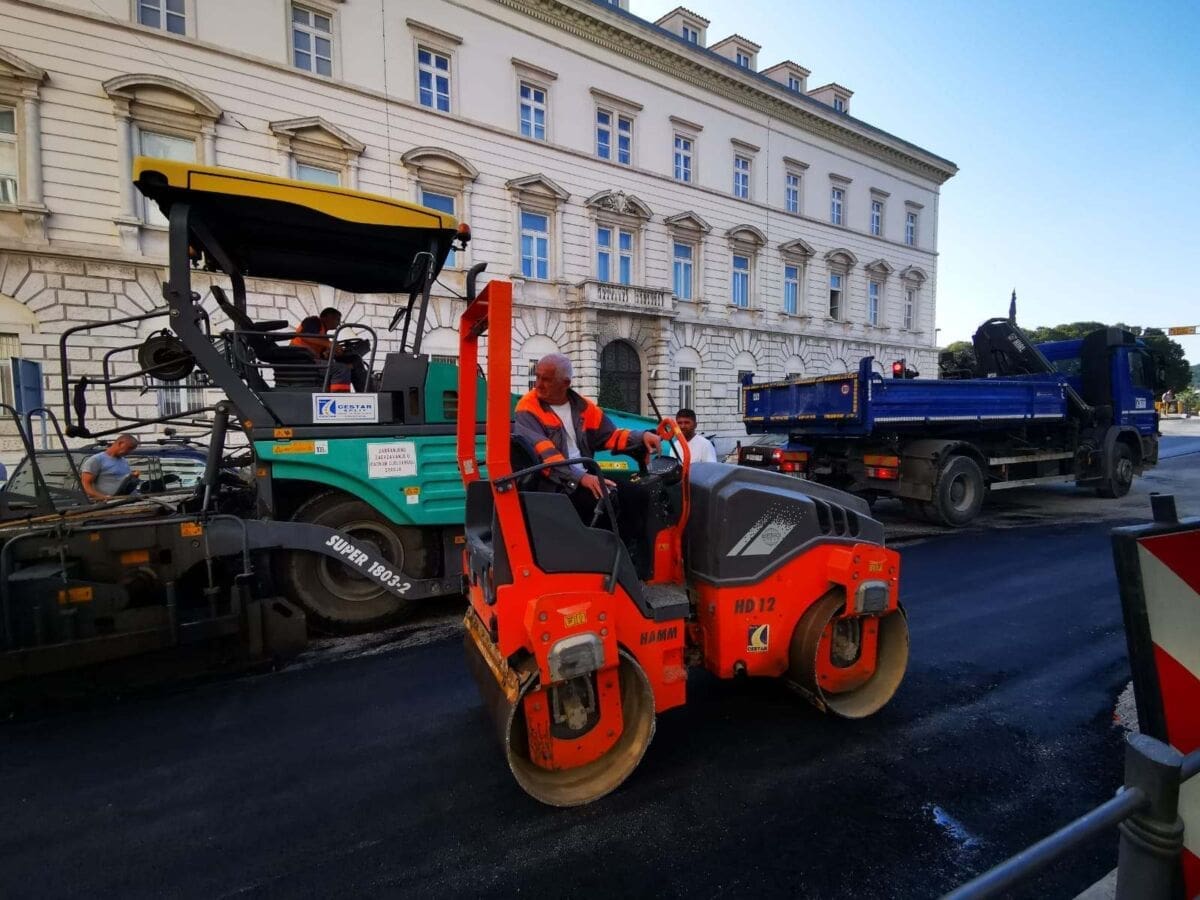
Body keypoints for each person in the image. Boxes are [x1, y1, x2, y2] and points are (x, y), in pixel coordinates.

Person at [515, 354, 661, 574]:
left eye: (545, 379)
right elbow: (546, 458)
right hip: (555, 484)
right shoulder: (527, 408)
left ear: (565, 383)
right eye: (537, 377)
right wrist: (581, 478)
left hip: (585, 474)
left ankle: (631, 561)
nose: (538, 384)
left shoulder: (583, 407)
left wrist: (642, 437)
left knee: (638, 494)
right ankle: (610, 568)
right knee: (610, 501)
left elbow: (610, 436)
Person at [291, 307, 369, 392]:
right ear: (328, 316)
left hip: (310, 360)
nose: (339, 323)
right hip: (301, 359)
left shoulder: (324, 336)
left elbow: (322, 354)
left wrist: (330, 353)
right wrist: (330, 344)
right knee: (341, 369)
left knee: (354, 360)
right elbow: (305, 336)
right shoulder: (313, 321)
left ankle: (365, 392)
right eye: (337, 319)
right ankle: (340, 398)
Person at [80, 434, 140, 501]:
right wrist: (103, 497)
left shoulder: (123, 461)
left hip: (125, 502)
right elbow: (85, 485)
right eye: (129, 448)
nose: (130, 452)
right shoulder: (96, 460)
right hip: (107, 506)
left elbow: (121, 480)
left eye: (132, 449)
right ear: (121, 443)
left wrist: (132, 477)